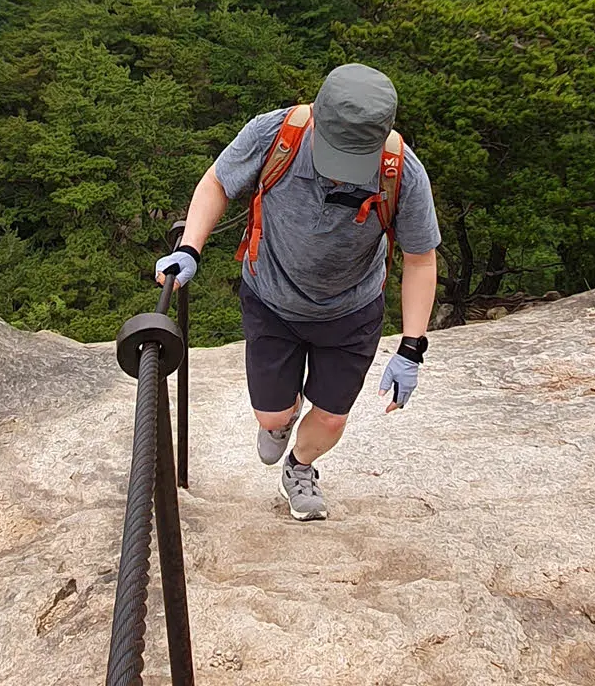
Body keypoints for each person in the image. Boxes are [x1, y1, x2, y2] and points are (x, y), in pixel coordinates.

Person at [156, 63, 441, 521]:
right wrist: (189, 247)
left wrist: (411, 346)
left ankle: (300, 467)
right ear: (317, 115)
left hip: (351, 310)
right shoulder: (274, 134)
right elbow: (216, 181)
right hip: (272, 299)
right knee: (271, 417)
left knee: (331, 418)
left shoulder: (401, 172)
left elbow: (421, 258)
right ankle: (282, 418)